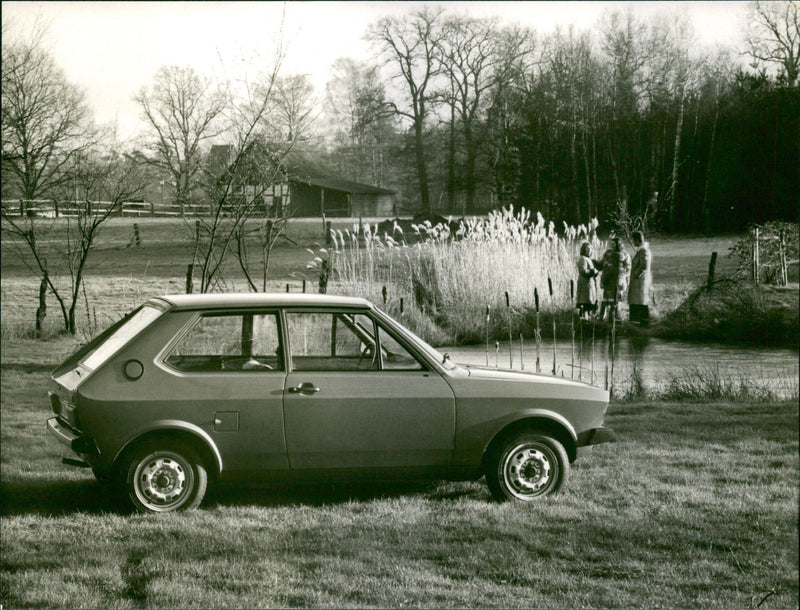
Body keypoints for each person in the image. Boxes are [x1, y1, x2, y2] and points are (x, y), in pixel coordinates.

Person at [599, 235, 631, 320]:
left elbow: (628, 268)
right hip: (608, 279)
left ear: (618, 244)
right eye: (611, 244)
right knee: (606, 300)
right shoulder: (607, 253)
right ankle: (602, 317)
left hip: (618, 280)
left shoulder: (625, 254)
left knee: (616, 300)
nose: (612, 246)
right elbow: (602, 265)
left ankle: (615, 319)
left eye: (614, 244)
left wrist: (622, 275)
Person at [628, 230, 652, 326]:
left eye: (633, 240)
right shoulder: (641, 250)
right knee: (637, 302)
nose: (633, 242)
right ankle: (638, 325)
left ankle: (641, 326)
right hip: (637, 284)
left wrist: (635, 275)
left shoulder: (644, 251)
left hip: (640, 283)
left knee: (640, 302)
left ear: (637, 240)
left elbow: (644, 266)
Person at [575, 241, 599, 319]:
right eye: (587, 249)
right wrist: (593, 271)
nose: (589, 251)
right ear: (583, 250)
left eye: (590, 249)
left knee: (589, 303)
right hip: (585, 284)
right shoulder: (582, 258)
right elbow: (583, 271)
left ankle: (587, 319)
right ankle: (583, 320)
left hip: (589, 284)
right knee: (585, 302)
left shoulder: (588, 259)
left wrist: (595, 272)